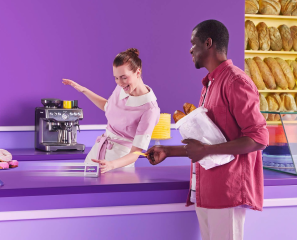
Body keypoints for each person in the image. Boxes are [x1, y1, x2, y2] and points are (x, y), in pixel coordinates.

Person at [146, 20, 269, 240]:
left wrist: (207, 149)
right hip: (206, 192)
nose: (190, 49)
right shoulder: (209, 85)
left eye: (193, 44)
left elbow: (258, 138)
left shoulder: (236, 81)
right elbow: (205, 145)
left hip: (227, 192)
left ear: (208, 43)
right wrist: (168, 151)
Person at [63, 48, 160, 173]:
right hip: (97, 152)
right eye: (116, 78)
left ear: (138, 72)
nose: (119, 82)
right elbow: (108, 107)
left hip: (119, 161)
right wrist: (83, 90)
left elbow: (135, 153)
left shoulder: (149, 110)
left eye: (124, 77)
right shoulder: (121, 88)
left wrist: (111, 165)